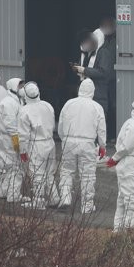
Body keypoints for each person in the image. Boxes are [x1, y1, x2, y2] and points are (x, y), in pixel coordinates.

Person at [57, 78, 107, 214]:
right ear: (93, 91)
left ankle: (65, 198)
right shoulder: (97, 107)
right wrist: (102, 145)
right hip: (87, 143)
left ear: (79, 89)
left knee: (67, 171)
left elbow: (61, 125)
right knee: (88, 175)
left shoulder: (69, 104)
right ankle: (87, 205)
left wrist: (64, 139)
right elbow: (101, 129)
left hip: (69, 141)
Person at [105, 99, 134, 230]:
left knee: (123, 196)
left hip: (129, 162)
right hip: (129, 161)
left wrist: (116, 158)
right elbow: (128, 146)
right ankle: (130, 227)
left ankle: (119, 228)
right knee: (130, 195)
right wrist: (115, 158)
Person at [18, 82, 58, 209]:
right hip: (50, 142)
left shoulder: (24, 110)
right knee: (49, 173)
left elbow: (23, 135)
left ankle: (39, 201)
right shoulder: (48, 106)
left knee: (37, 173)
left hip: (36, 144)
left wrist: (22, 151)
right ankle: (54, 198)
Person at [73, 26, 116, 143]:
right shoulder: (88, 53)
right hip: (88, 92)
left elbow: (104, 72)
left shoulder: (103, 52)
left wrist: (84, 70)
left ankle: (100, 144)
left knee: (99, 118)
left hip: (100, 91)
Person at [0, 78, 24, 202]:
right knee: (15, 167)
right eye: (20, 86)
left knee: (10, 167)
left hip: (10, 137)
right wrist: (16, 141)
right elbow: (10, 123)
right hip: (10, 138)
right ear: (13, 87)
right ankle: (13, 195)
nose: (22, 89)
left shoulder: (16, 101)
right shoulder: (9, 103)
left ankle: (4, 191)